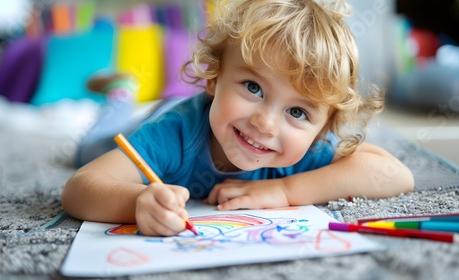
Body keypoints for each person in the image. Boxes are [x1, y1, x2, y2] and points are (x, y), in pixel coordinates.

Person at [62, 0, 414, 237]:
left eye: (297, 112)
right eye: (253, 87)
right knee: (89, 148)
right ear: (213, 77)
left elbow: (395, 175)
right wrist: (136, 201)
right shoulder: (175, 135)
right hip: (155, 116)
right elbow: (80, 187)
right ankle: (121, 94)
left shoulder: (307, 147)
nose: (266, 123)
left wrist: (284, 190)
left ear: (322, 127)